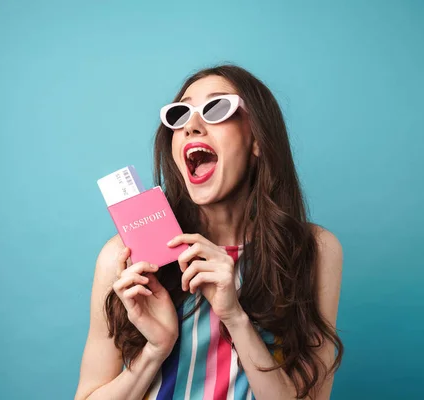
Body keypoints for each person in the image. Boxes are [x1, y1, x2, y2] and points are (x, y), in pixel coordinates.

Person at [74, 64, 344, 400]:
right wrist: (155, 350)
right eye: (180, 114)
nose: (191, 126)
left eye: (217, 109)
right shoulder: (124, 257)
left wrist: (235, 316)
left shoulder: (312, 250)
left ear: (258, 140)